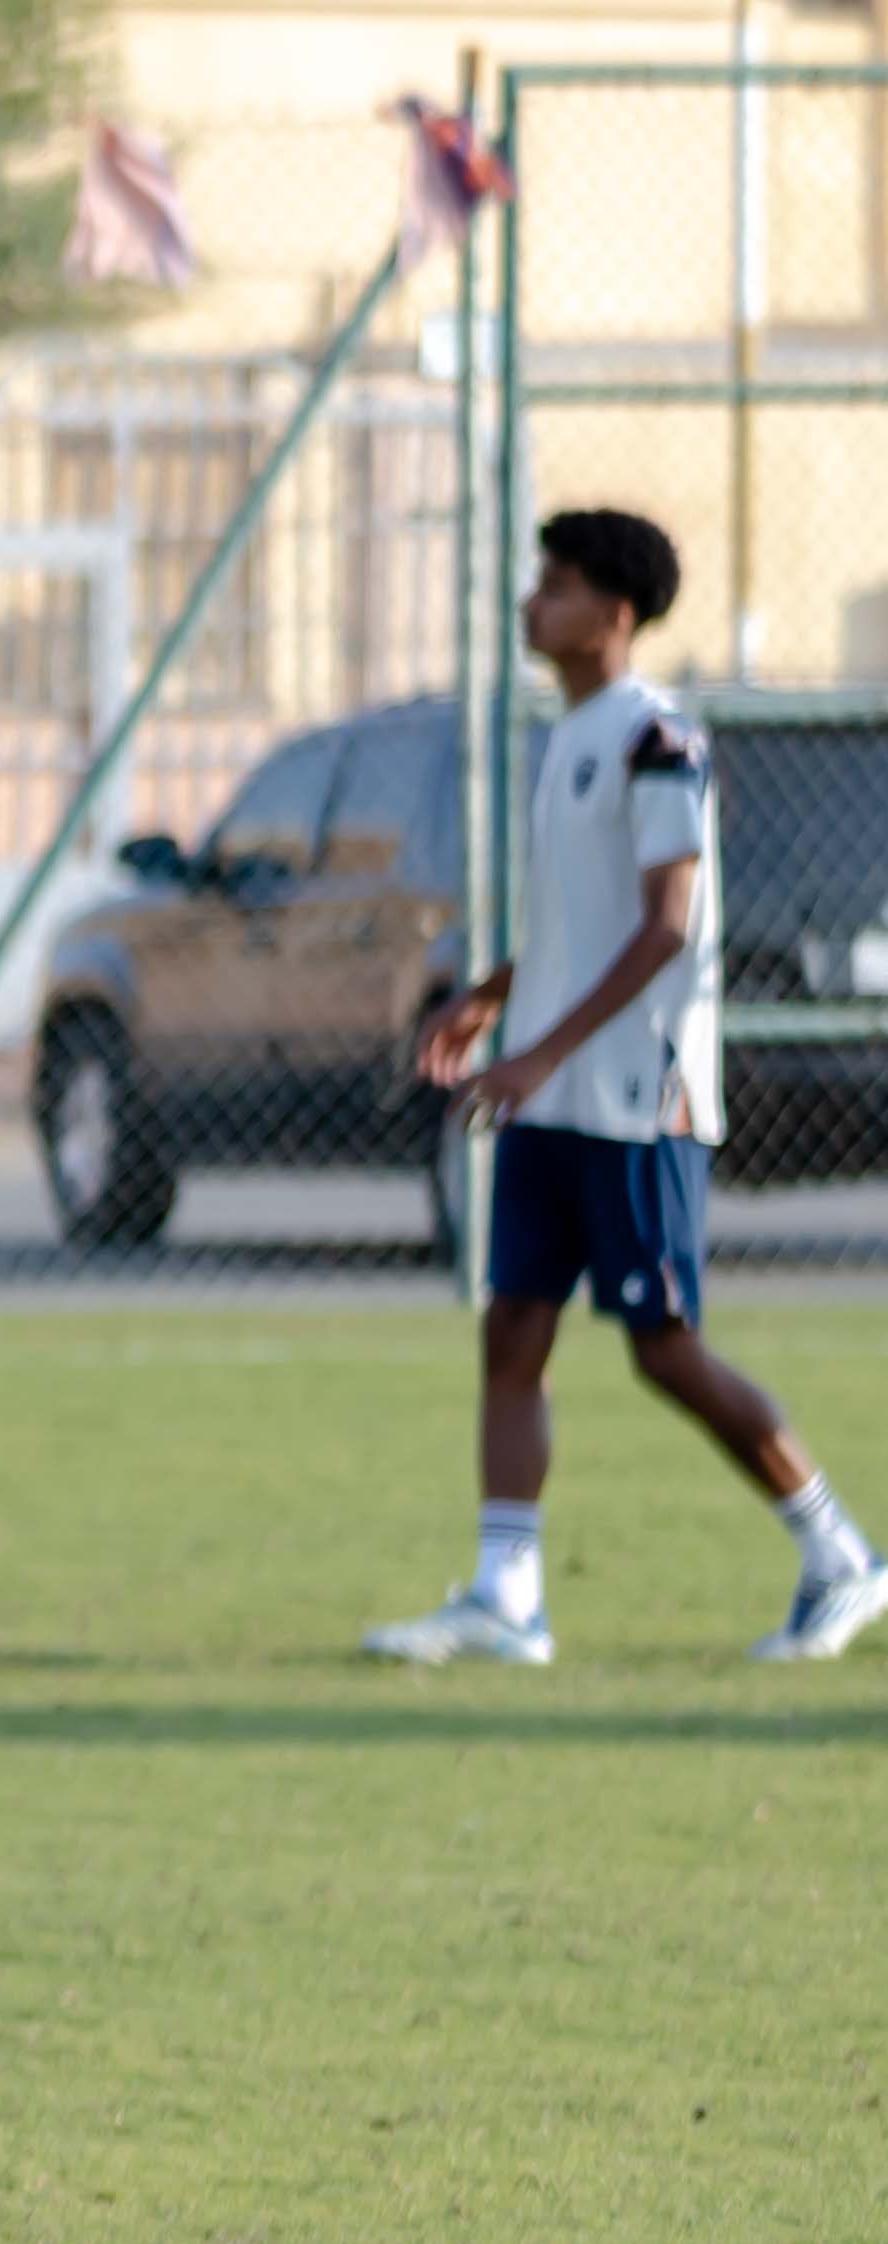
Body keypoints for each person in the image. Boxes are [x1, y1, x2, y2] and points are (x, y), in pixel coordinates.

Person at [372, 508, 886, 1669]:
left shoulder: (660, 739)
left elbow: (665, 927)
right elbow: (585, 921)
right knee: (513, 1328)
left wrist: (540, 1053)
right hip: (554, 1091)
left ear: (611, 613)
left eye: (553, 586)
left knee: (664, 1348)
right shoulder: (568, 737)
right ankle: (507, 1597)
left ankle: (840, 1554)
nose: (530, 603)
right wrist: (492, 997)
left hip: (632, 1097)